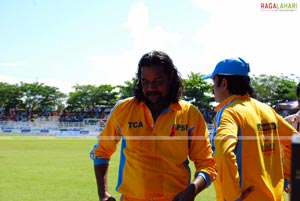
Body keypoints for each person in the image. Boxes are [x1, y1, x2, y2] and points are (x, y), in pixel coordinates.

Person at [90, 50, 217, 201]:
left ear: (170, 78)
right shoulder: (123, 109)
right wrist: (102, 194)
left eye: (157, 81)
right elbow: (101, 152)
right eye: (145, 82)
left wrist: (192, 189)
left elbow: (207, 164)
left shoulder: (190, 113)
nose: (150, 88)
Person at [202, 57, 299, 201]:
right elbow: (295, 141)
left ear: (223, 83)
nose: (212, 88)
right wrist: (286, 177)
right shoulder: (266, 109)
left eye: (213, 82)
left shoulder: (230, 112)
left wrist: (232, 197)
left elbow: (223, 153)